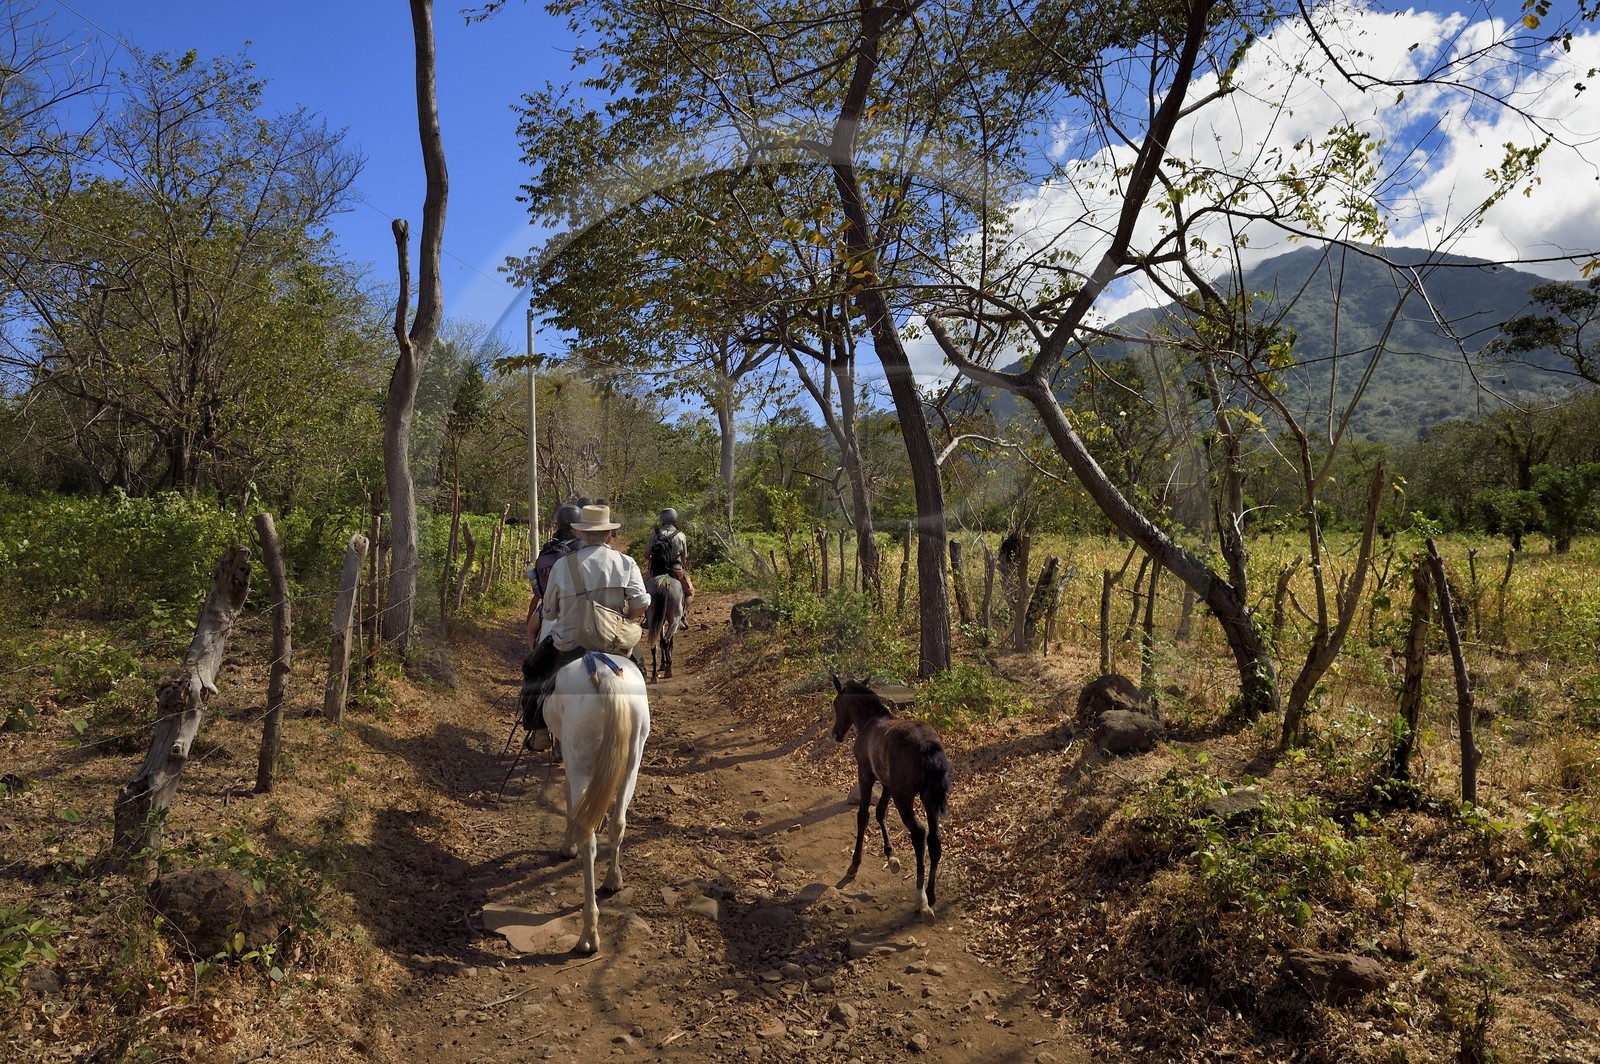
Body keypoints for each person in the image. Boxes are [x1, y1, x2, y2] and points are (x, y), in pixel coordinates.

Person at [520, 503, 651, 752]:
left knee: (531, 670)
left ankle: (538, 732)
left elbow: (549, 612)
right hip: (613, 640)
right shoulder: (626, 563)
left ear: (581, 533)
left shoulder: (562, 566)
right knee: (639, 672)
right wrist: (626, 616)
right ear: (608, 534)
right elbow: (640, 604)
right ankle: (639, 722)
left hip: (569, 642)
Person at [525, 503, 583, 650]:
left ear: (559, 525)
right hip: (583, 607)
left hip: (552, 606)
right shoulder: (584, 547)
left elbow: (541, 590)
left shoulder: (549, 548)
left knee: (531, 631)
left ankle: (532, 663)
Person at [645, 507, 695, 623]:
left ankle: (647, 618)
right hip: (676, 570)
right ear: (675, 519)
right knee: (690, 592)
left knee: (643, 591)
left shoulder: (654, 533)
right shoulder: (680, 535)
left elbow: (647, 555)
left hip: (655, 571)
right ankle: (682, 614)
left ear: (661, 519)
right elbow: (684, 558)